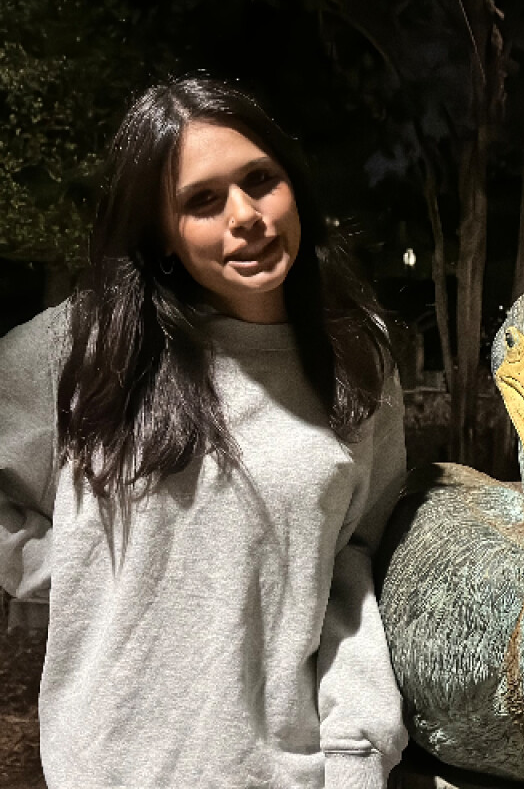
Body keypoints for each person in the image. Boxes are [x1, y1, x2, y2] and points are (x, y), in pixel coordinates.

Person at [0, 77, 408, 788]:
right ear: (163, 234)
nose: (245, 216)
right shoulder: (86, 347)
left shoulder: (355, 362)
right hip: (104, 771)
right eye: (202, 201)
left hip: (284, 773)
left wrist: (357, 754)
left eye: (260, 180)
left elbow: (358, 567)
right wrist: (80, 570)